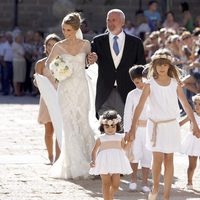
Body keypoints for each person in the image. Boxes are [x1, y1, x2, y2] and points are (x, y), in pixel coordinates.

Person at [128, 48, 200, 200]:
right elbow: (139, 107)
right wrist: (132, 128)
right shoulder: (149, 84)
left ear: (169, 66)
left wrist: (195, 124)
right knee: (158, 159)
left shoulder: (175, 83)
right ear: (154, 66)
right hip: (155, 126)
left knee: (169, 159)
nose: (161, 67)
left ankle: (166, 195)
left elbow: (186, 105)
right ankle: (155, 187)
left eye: (165, 64)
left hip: (171, 126)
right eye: (159, 64)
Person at [45, 12, 95, 179]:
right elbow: (48, 64)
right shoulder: (59, 46)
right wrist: (58, 73)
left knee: (82, 120)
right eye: (63, 30)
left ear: (76, 29)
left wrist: (92, 59)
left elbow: (88, 62)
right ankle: (72, 165)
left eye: (68, 30)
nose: (65, 33)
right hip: (65, 89)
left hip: (81, 87)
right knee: (69, 123)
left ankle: (90, 160)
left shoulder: (86, 44)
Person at [91, 9, 146, 119]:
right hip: (105, 93)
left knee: (124, 130)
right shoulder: (98, 41)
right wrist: (90, 59)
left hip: (127, 92)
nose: (110, 23)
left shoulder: (135, 42)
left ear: (122, 22)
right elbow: (87, 62)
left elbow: (142, 69)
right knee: (107, 128)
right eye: (108, 20)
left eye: (114, 20)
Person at [89, 110, 132, 200]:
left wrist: (130, 142)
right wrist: (93, 160)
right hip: (103, 162)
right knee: (106, 183)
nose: (110, 129)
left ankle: (110, 196)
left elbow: (124, 148)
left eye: (113, 126)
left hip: (116, 163)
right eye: (107, 126)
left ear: (117, 126)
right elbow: (94, 151)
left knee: (116, 185)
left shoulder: (120, 137)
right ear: (102, 126)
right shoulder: (100, 138)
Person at [123, 65, 152, 193]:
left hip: (150, 129)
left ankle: (145, 182)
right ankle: (133, 180)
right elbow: (127, 113)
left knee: (147, 155)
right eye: (136, 82)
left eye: (141, 81)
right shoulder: (132, 94)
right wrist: (127, 130)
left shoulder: (153, 92)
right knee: (134, 155)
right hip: (136, 129)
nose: (140, 84)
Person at [35, 33, 61, 164]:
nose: (51, 47)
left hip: (60, 97)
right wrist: (37, 82)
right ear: (46, 46)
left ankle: (58, 158)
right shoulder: (40, 63)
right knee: (48, 130)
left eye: (54, 44)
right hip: (46, 99)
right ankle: (50, 156)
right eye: (49, 44)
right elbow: (37, 82)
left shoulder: (62, 61)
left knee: (59, 129)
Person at [180, 93, 200, 190]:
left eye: (199, 104)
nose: (197, 106)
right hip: (193, 142)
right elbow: (180, 123)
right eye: (195, 104)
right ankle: (189, 182)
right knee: (192, 165)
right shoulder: (192, 115)